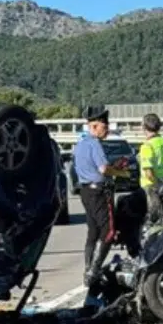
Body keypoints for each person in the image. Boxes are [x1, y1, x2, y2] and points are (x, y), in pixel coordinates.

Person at [72, 105, 118, 281]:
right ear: (94, 126)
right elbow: (104, 169)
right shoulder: (94, 144)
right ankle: (94, 270)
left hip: (85, 191)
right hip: (99, 192)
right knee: (109, 231)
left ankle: (88, 269)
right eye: (104, 127)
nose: (106, 131)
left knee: (93, 231)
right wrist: (120, 172)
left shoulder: (80, 145)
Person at [137, 112, 163, 231]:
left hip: (151, 189)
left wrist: (156, 186)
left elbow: (148, 172)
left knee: (152, 224)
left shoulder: (147, 146)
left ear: (144, 127)